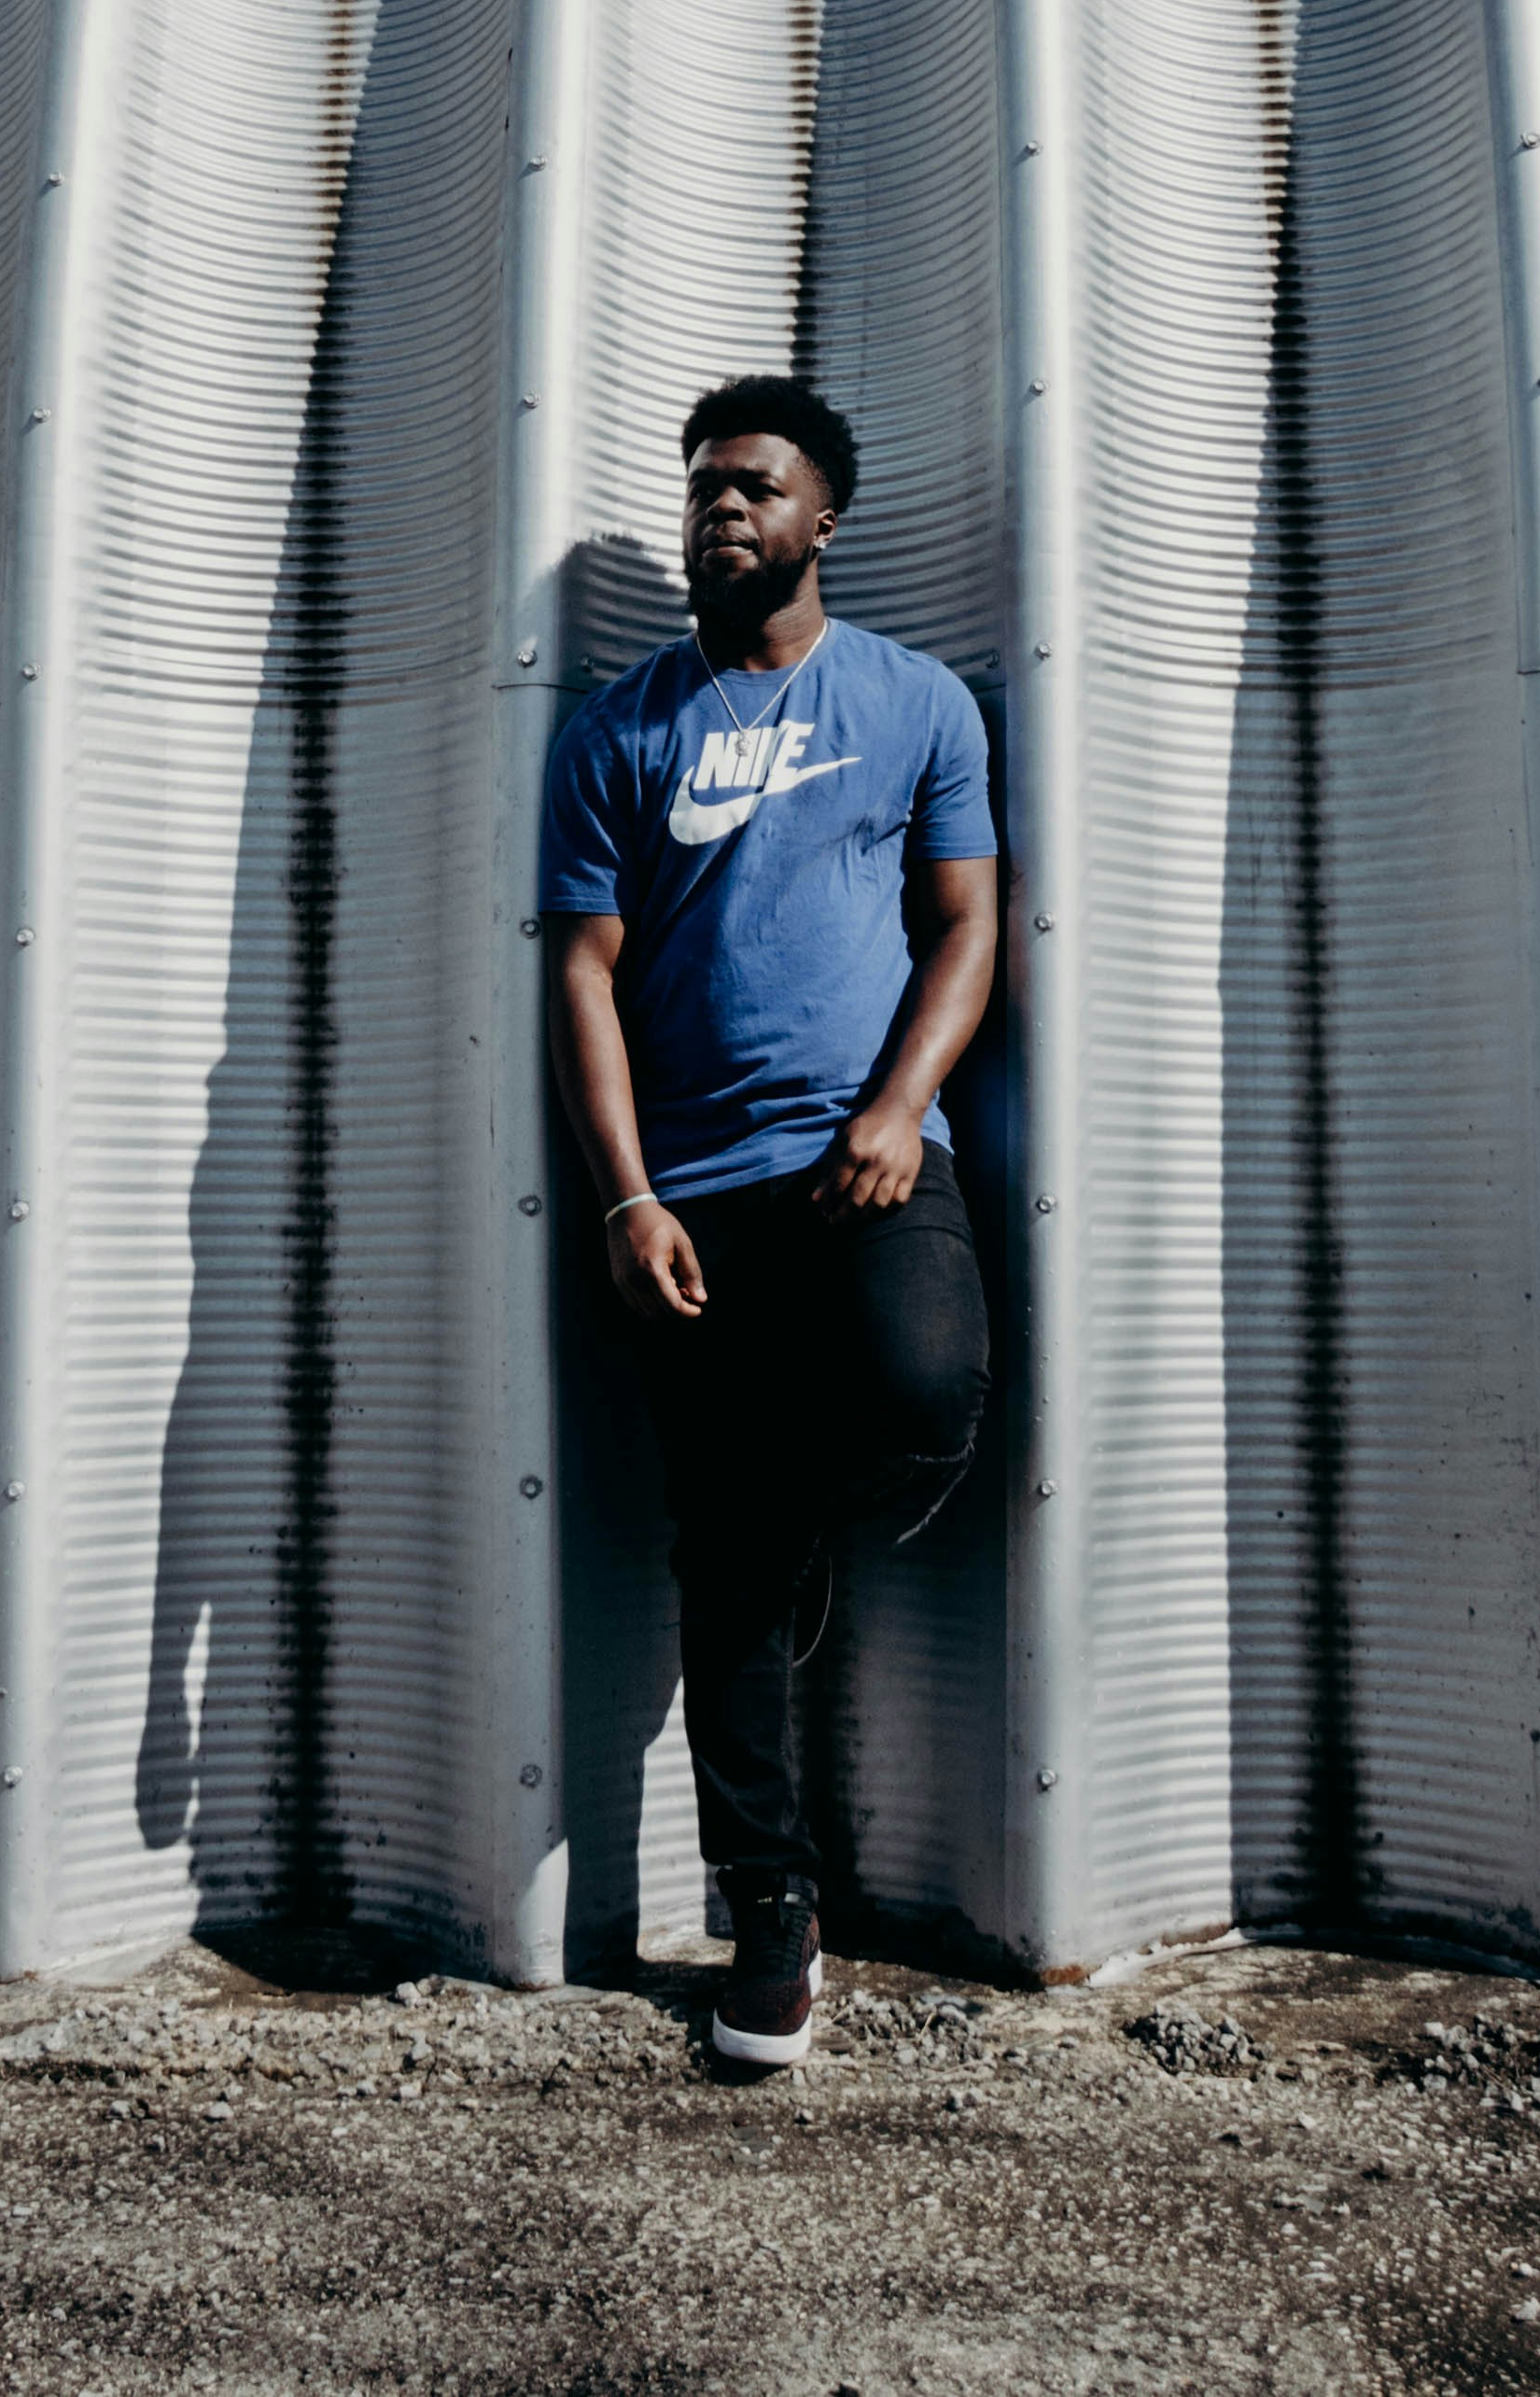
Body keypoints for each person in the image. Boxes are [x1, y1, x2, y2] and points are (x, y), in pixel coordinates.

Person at [539, 374, 1000, 2073]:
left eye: (752, 486)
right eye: (699, 490)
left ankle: (789, 1541)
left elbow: (965, 923)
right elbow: (582, 977)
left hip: (870, 1162)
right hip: (698, 1203)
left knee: (922, 1398)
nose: (718, 510)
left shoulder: (915, 703)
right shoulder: (617, 730)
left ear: (823, 519)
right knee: (719, 1567)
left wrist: (895, 1110)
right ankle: (771, 1917)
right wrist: (628, 1196)